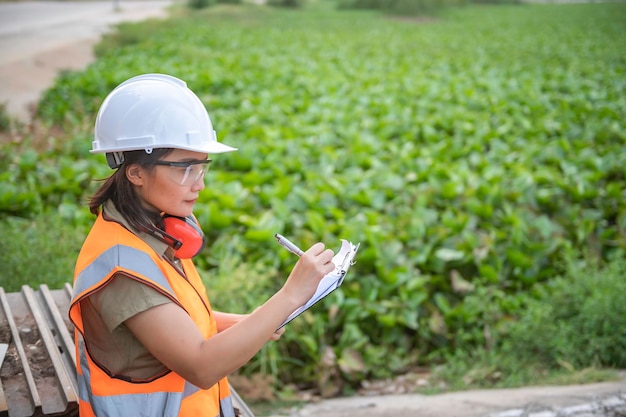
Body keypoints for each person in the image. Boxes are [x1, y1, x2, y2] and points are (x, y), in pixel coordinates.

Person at [69, 73, 335, 417]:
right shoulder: (123, 269)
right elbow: (201, 366)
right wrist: (290, 295)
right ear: (135, 173)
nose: (199, 185)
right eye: (185, 169)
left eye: (202, 168)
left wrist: (250, 322)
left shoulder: (150, 227)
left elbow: (176, 319)